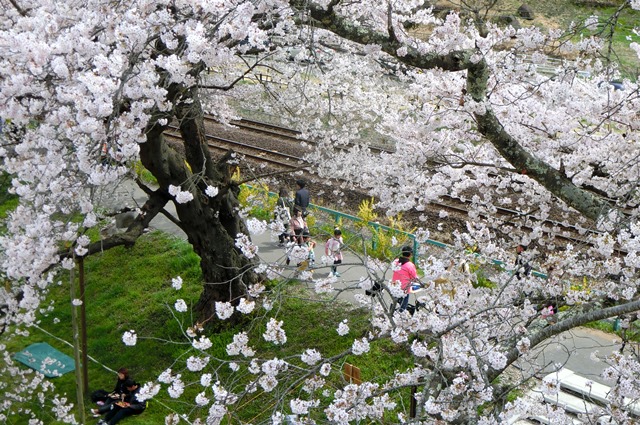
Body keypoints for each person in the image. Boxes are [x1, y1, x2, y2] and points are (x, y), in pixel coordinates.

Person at [392, 246, 419, 312]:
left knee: (394, 305)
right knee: (402, 307)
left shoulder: (396, 261)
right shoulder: (410, 265)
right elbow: (414, 278)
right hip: (404, 289)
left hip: (394, 286)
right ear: (410, 255)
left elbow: (393, 270)